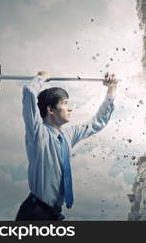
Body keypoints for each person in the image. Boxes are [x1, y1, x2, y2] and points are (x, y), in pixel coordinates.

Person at [15, 71, 118, 220]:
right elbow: (29, 92)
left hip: (54, 214)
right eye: (65, 103)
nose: (70, 109)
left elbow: (97, 122)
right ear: (50, 110)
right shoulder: (38, 134)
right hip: (35, 213)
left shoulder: (68, 135)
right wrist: (40, 77)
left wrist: (111, 89)